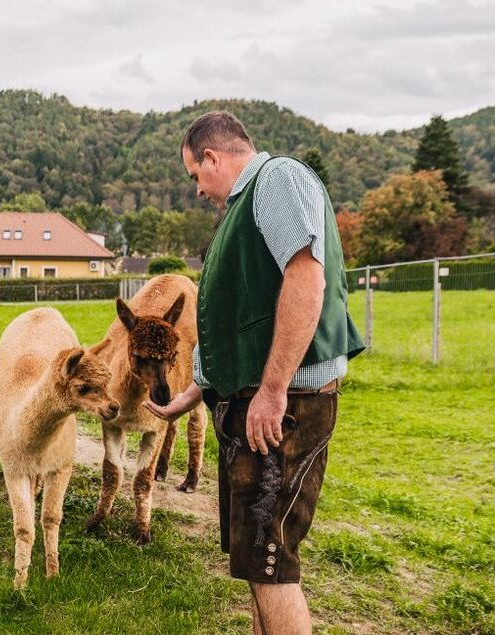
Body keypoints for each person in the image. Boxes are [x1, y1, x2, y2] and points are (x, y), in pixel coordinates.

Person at [146, 111, 364, 635]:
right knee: (255, 559)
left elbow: (304, 274)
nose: (197, 190)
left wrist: (271, 390)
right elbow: (239, 324)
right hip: (255, 402)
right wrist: (192, 395)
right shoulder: (246, 207)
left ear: (212, 158)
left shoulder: (275, 181)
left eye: (195, 176)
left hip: (283, 406)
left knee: (271, 561)